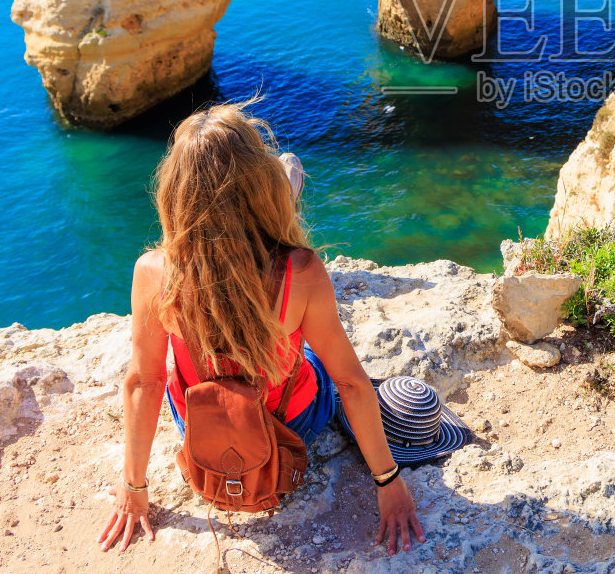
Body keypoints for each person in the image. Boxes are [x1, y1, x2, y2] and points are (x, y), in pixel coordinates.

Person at [96, 103, 455, 555]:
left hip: (200, 425)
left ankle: (275, 196)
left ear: (173, 192)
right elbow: (351, 382)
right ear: (258, 180)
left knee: (177, 371)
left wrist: (134, 487)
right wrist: (387, 480)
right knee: (312, 361)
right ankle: (284, 198)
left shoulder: (152, 273)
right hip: (288, 426)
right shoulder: (301, 272)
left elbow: (143, 382)